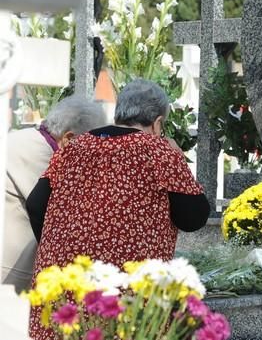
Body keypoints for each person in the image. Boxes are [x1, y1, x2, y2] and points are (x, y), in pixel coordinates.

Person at [26, 79, 210, 340]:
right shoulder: (159, 152)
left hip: (67, 285)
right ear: (157, 123)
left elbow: (35, 204)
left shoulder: (73, 148)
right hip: (126, 293)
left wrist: (58, 250)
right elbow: (194, 217)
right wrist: (178, 158)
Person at [2, 96, 106, 292]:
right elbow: (61, 213)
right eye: (92, 143)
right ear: (69, 138)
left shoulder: (23, 137)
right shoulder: (42, 155)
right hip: (9, 273)